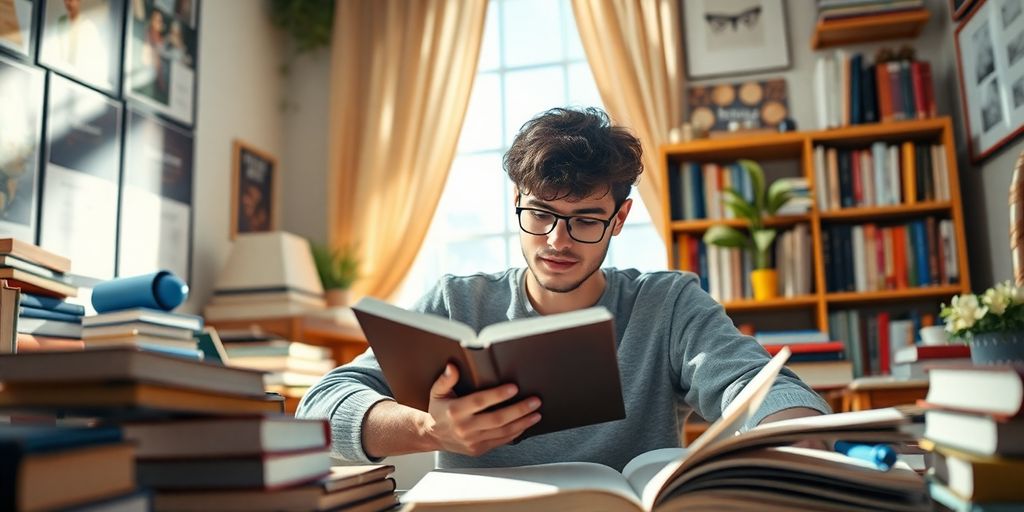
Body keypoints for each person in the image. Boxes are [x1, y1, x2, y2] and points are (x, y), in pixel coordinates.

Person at [296, 107, 831, 471]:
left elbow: (758, 384)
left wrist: (795, 434)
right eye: (541, 214)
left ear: (619, 219)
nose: (557, 240)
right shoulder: (459, 302)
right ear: (517, 203)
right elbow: (318, 407)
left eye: (585, 219)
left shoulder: (666, 305)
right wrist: (429, 429)